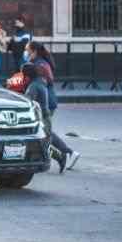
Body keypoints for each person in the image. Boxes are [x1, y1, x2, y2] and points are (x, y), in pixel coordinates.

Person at [25, 40, 79, 171]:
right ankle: (64, 154)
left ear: (34, 52)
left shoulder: (39, 66)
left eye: (28, 51)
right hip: (46, 102)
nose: (26, 53)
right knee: (45, 131)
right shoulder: (37, 64)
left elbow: (41, 84)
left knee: (43, 133)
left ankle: (65, 153)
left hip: (46, 103)